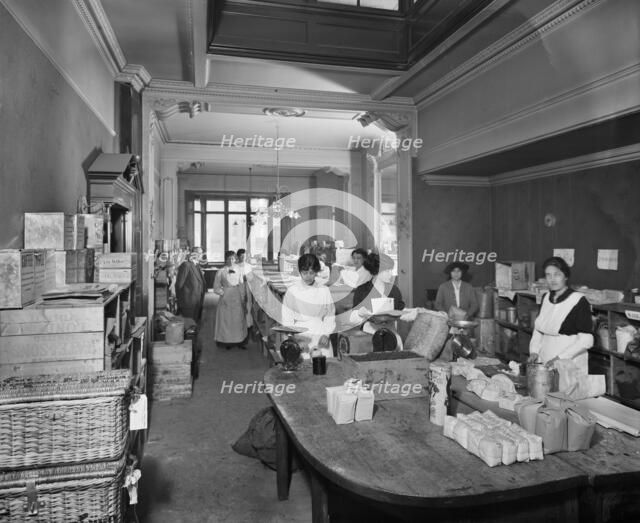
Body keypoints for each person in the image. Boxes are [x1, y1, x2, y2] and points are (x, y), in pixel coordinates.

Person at [528, 256, 593, 373]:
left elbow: (586, 340)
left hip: (569, 363)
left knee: (566, 390)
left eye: (557, 274)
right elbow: (538, 329)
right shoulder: (546, 297)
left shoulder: (578, 300)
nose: (552, 279)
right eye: (548, 275)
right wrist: (533, 351)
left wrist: (559, 358)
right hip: (545, 360)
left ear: (566, 276)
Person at [281, 254, 336, 358]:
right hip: (299, 334)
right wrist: (294, 339)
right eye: (304, 273)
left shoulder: (324, 290)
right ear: (299, 271)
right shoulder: (292, 291)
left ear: (316, 272)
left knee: (323, 366)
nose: (308, 276)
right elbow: (287, 319)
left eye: (311, 273)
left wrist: (326, 334)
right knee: (301, 368)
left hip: (320, 333)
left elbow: (330, 314)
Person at [350, 252, 405, 331]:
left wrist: (415, 312)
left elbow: (400, 310)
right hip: (369, 331)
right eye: (387, 271)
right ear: (376, 271)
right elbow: (352, 319)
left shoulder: (394, 290)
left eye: (391, 271)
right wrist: (359, 313)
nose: (390, 274)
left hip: (390, 330)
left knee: (397, 340)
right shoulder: (362, 291)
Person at [213, 250, 248, 349]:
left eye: (232, 258)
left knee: (238, 319)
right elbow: (216, 287)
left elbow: (241, 285)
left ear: (235, 259)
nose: (231, 261)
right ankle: (228, 342)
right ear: (225, 260)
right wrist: (223, 293)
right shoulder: (221, 271)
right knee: (227, 320)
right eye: (228, 258)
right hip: (226, 297)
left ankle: (239, 341)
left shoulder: (239, 270)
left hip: (237, 295)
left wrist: (243, 297)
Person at [175, 247, 206, 322]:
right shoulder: (186, 265)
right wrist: (181, 302)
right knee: (188, 326)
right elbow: (179, 285)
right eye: (198, 253)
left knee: (194, 325)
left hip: (197, 301)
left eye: (201, 253)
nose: (201, 255)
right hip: (188, 303)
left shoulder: (196, 265)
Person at [235, 248, 254, 334]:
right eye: (241, 256)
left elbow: (252, 278)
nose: (243, 257)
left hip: (248, 289)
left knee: (248, 306)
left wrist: (248, 278)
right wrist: (242, 278)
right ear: (238, 257)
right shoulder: (235, 266)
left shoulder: (249, 266)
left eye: (244, 256)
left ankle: (248, 325)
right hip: (239, 289)